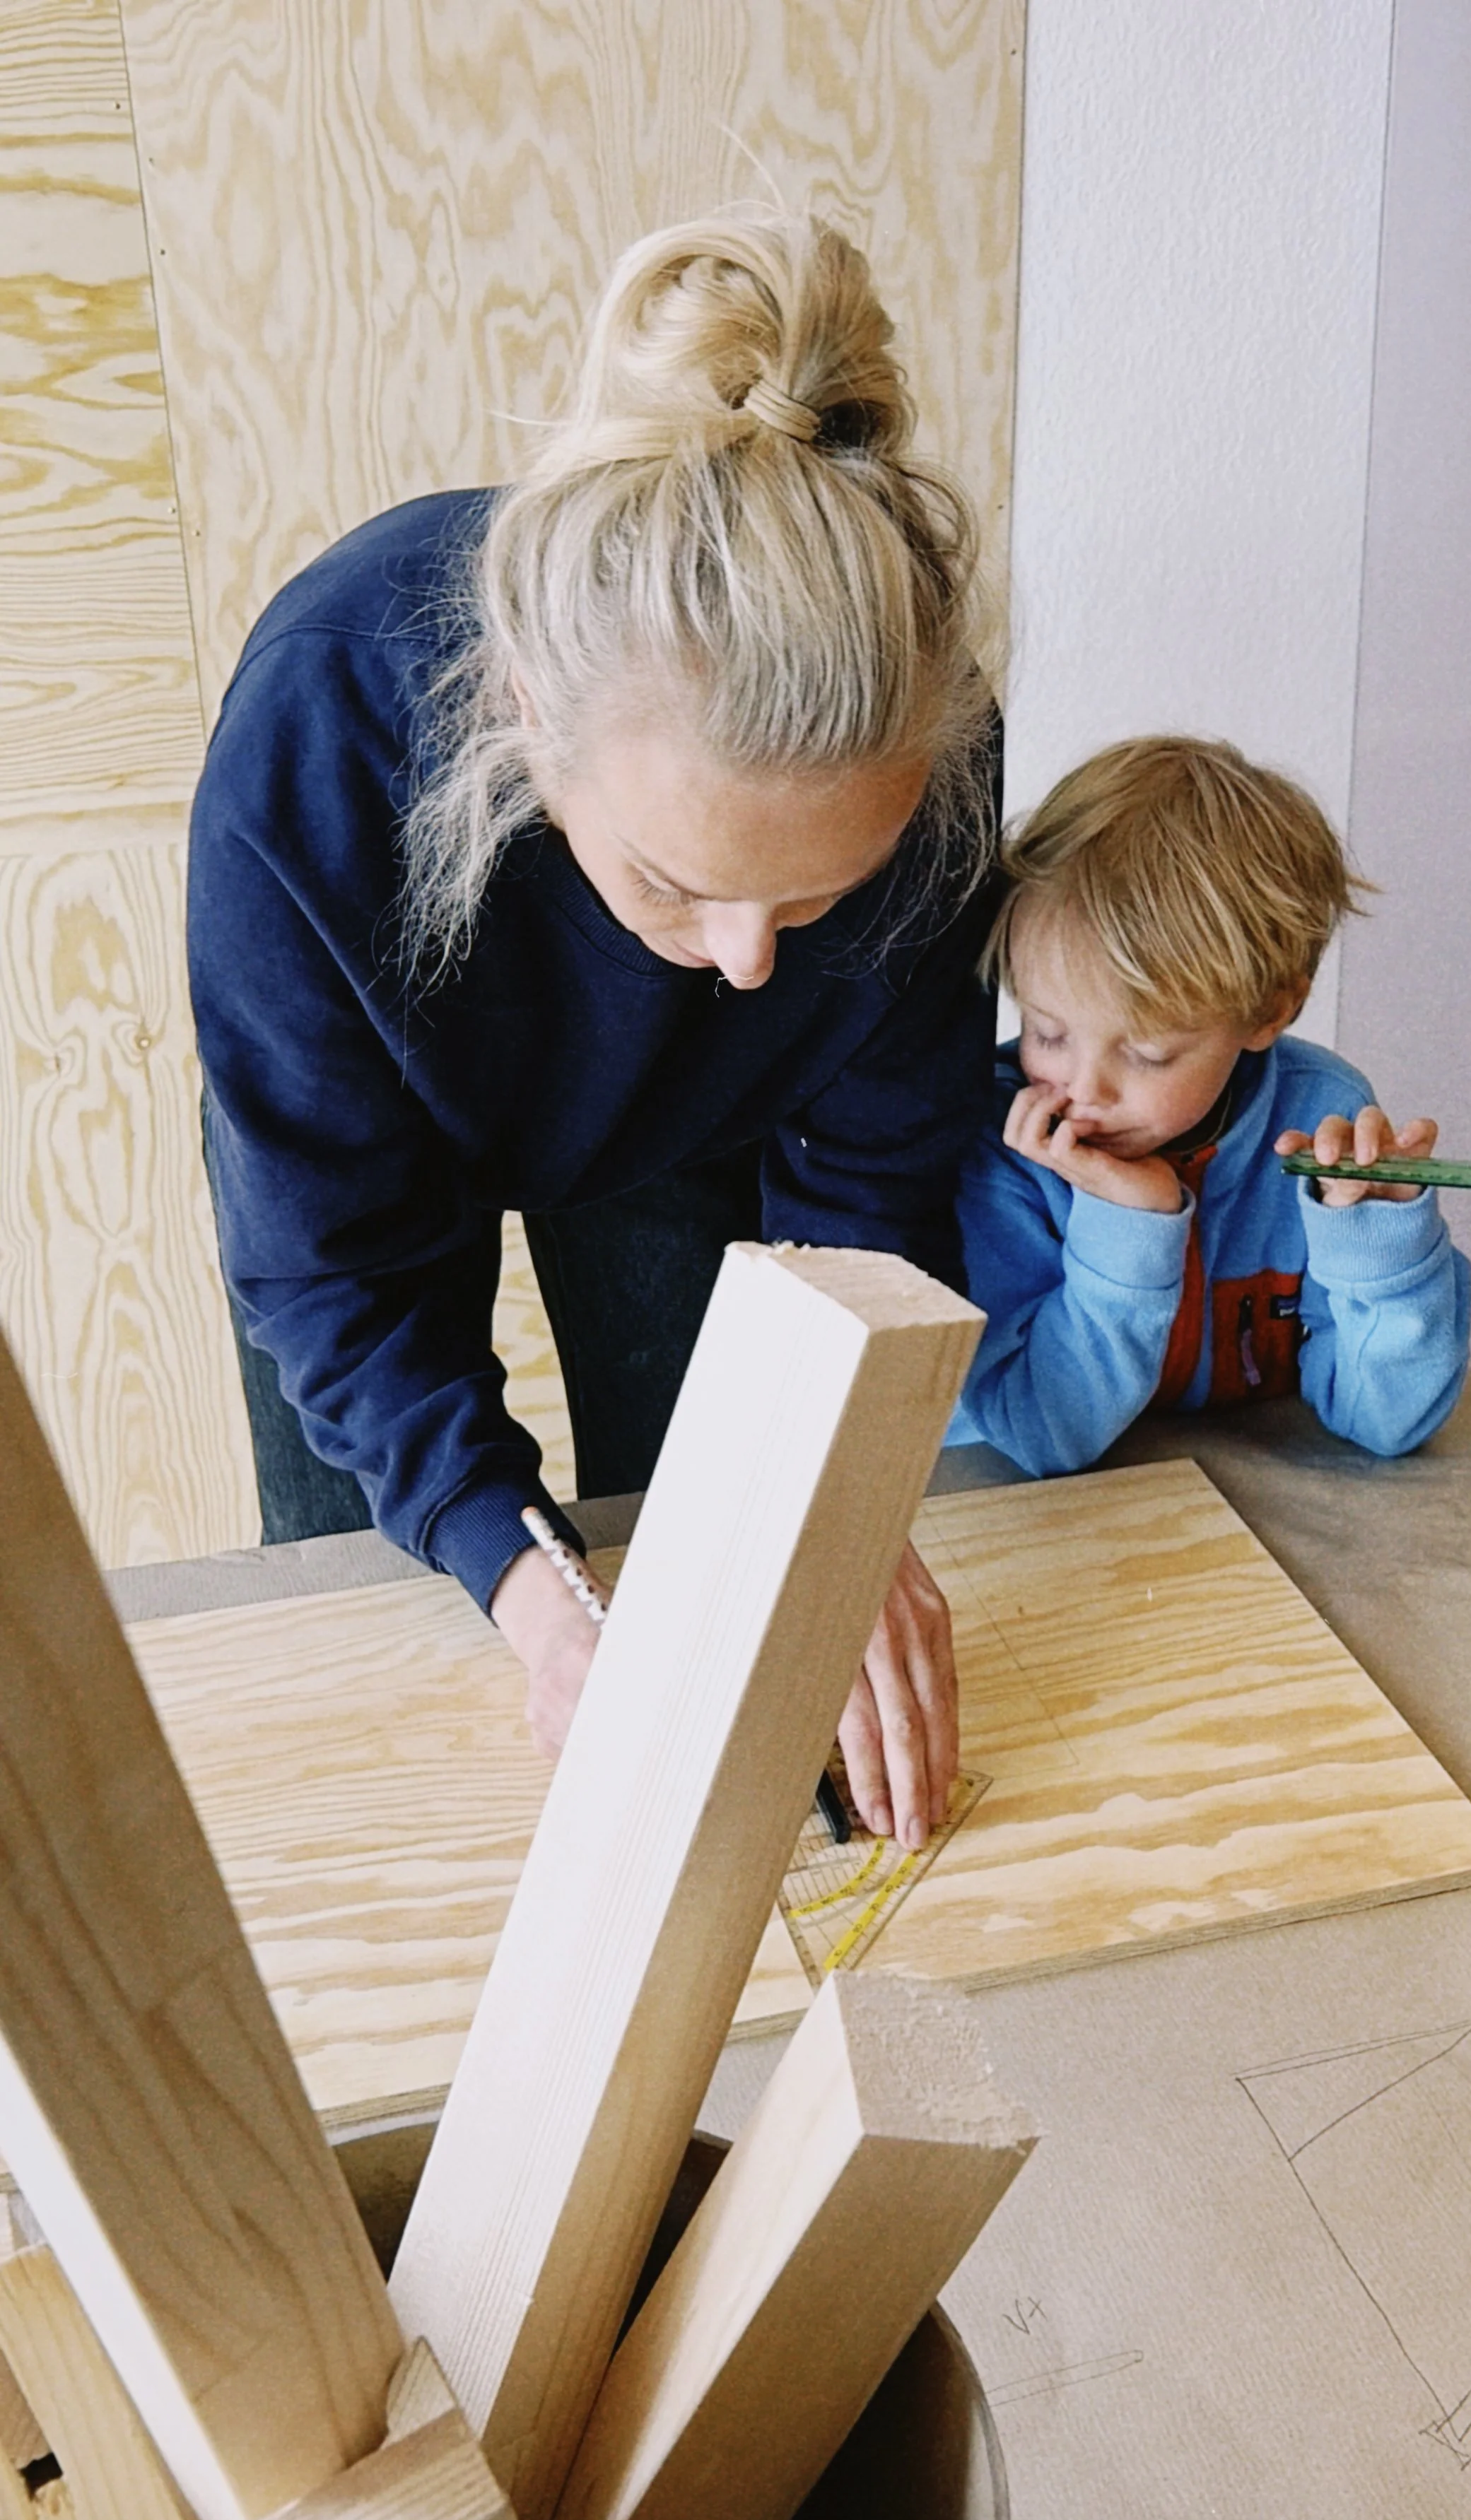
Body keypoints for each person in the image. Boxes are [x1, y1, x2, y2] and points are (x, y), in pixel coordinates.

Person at [189, 211, 1003, 1846]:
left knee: (745, 1581)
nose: (749, 964)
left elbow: (872, 1193)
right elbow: (336, 1275)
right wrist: (543, 1602)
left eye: (818, 900)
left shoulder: (921, 773)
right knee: (413, 1657)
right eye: (681, 881)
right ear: (519, 714)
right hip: (374, 1173)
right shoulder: (317, 746)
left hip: (704, 1143)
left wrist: (827, 1515)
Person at [946, 736, 1471, 1473]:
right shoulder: (1005, 1145)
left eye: (1147, 1054)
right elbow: (1039, 1435)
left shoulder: (1320, 1115)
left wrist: (1381, 1241)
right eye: (1047, 1031)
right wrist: (1130, 1223)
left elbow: (1388, 1425)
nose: (1083, 1088)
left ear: (1268, 1011)